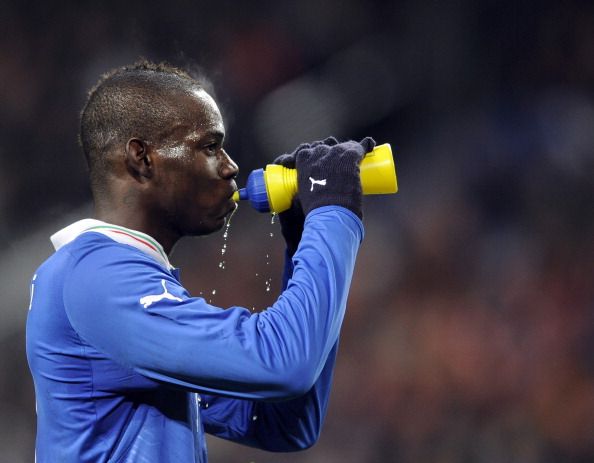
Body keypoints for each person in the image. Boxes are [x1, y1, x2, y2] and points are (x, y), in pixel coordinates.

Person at [26, 60, 376, 462]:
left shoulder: (113, 278)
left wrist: (302, 240)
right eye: (210, 147)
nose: (230, 166)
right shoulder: (96, 278)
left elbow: (284, 423)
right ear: (142, 158)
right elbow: (284, 364)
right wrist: (333, 212)